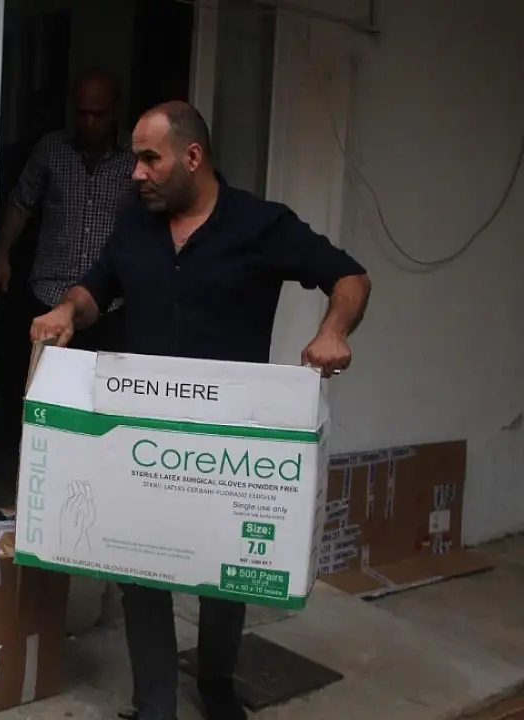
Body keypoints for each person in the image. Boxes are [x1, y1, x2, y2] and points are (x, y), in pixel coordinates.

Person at [29, 102, 372, 720]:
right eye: (136, 159)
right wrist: (66, 311)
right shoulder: (136, 225)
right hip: (143, 430)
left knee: (226, 568)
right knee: (138, 564)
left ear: (192, 156)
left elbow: (349, 277)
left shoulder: (260, 225)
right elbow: (95, 288)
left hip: (227, 442)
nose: (136, 172)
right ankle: (154, 706)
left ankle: (216, 682)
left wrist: (333, 332)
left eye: (149, 158)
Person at [0, 67, 137, 352]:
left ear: (116, 109)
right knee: (39, 376)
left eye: (99, 114)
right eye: (82, 113)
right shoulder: (51, 148)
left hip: (109, 304)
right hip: (47, 296)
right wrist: (2, 254)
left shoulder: (135, 157)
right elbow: (22, 202)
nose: (90, 123)